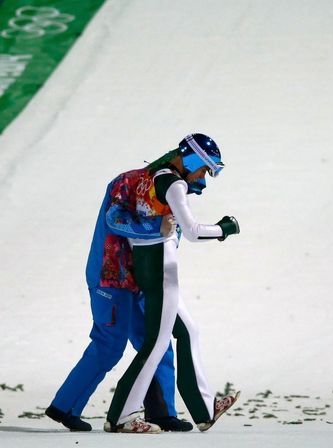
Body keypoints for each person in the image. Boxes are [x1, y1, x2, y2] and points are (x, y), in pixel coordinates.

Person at [104, 133, 240, 433]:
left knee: (188, 331)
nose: (203, 177)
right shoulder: (175, 184)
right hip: (160, 267)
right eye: (204, 168)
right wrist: (224, 228)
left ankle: (203, 409)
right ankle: (121, 416)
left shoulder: (152, 176)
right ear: (191, 159)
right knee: (155, 345)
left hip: (150, 263)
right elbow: (191, 231)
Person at [45, 163, 193, 432]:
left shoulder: (173, 195)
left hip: (140, 282)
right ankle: (64, 407)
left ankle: (163, 413)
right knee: (110, 344)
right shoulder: (129, 182)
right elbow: (114, 219)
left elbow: (174, 234)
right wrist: (155, 227)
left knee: (157, 344)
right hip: (110, 277)